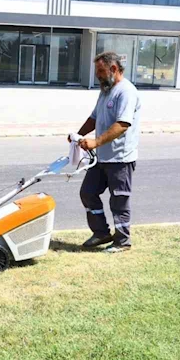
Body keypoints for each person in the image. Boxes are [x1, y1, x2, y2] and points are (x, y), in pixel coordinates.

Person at [71, 51, 141, 253]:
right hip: (102, 156)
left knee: (119, 200)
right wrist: (77, 135)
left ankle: (122, 241)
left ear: (113, 69)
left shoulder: (126, 92)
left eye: (101, 71)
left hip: (120, 158)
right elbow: (94, 118)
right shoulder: (105, 90)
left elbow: (122, 124)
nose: (98, 76)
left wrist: (96, 141)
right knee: (88, 192)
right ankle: (101, 232)